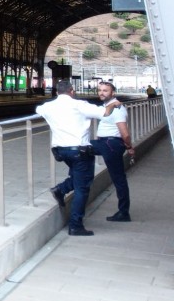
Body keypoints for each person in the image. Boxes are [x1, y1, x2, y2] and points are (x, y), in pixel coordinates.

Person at [37, 79, 115, 236]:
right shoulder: (80, 105)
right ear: (72, 91)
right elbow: (105, 112)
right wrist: (115, 103)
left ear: (57, 92)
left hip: (60, 151)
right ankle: (75, 225)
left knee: (79, 177)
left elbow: (39, 109)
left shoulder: (47, 107)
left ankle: (61, 189)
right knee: (82, 187)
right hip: (79, 151)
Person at [91, 80, 134, 222]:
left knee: (119, 179)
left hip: (111, 144)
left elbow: (125, 133)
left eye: (105, 91)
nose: (101, 93)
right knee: (81, 148)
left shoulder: (118, 109)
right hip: (105, 143)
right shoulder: (108, 106)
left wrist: (129, 146)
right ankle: (67, 185)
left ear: (113, 93)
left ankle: (124, 212)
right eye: (100, 90)